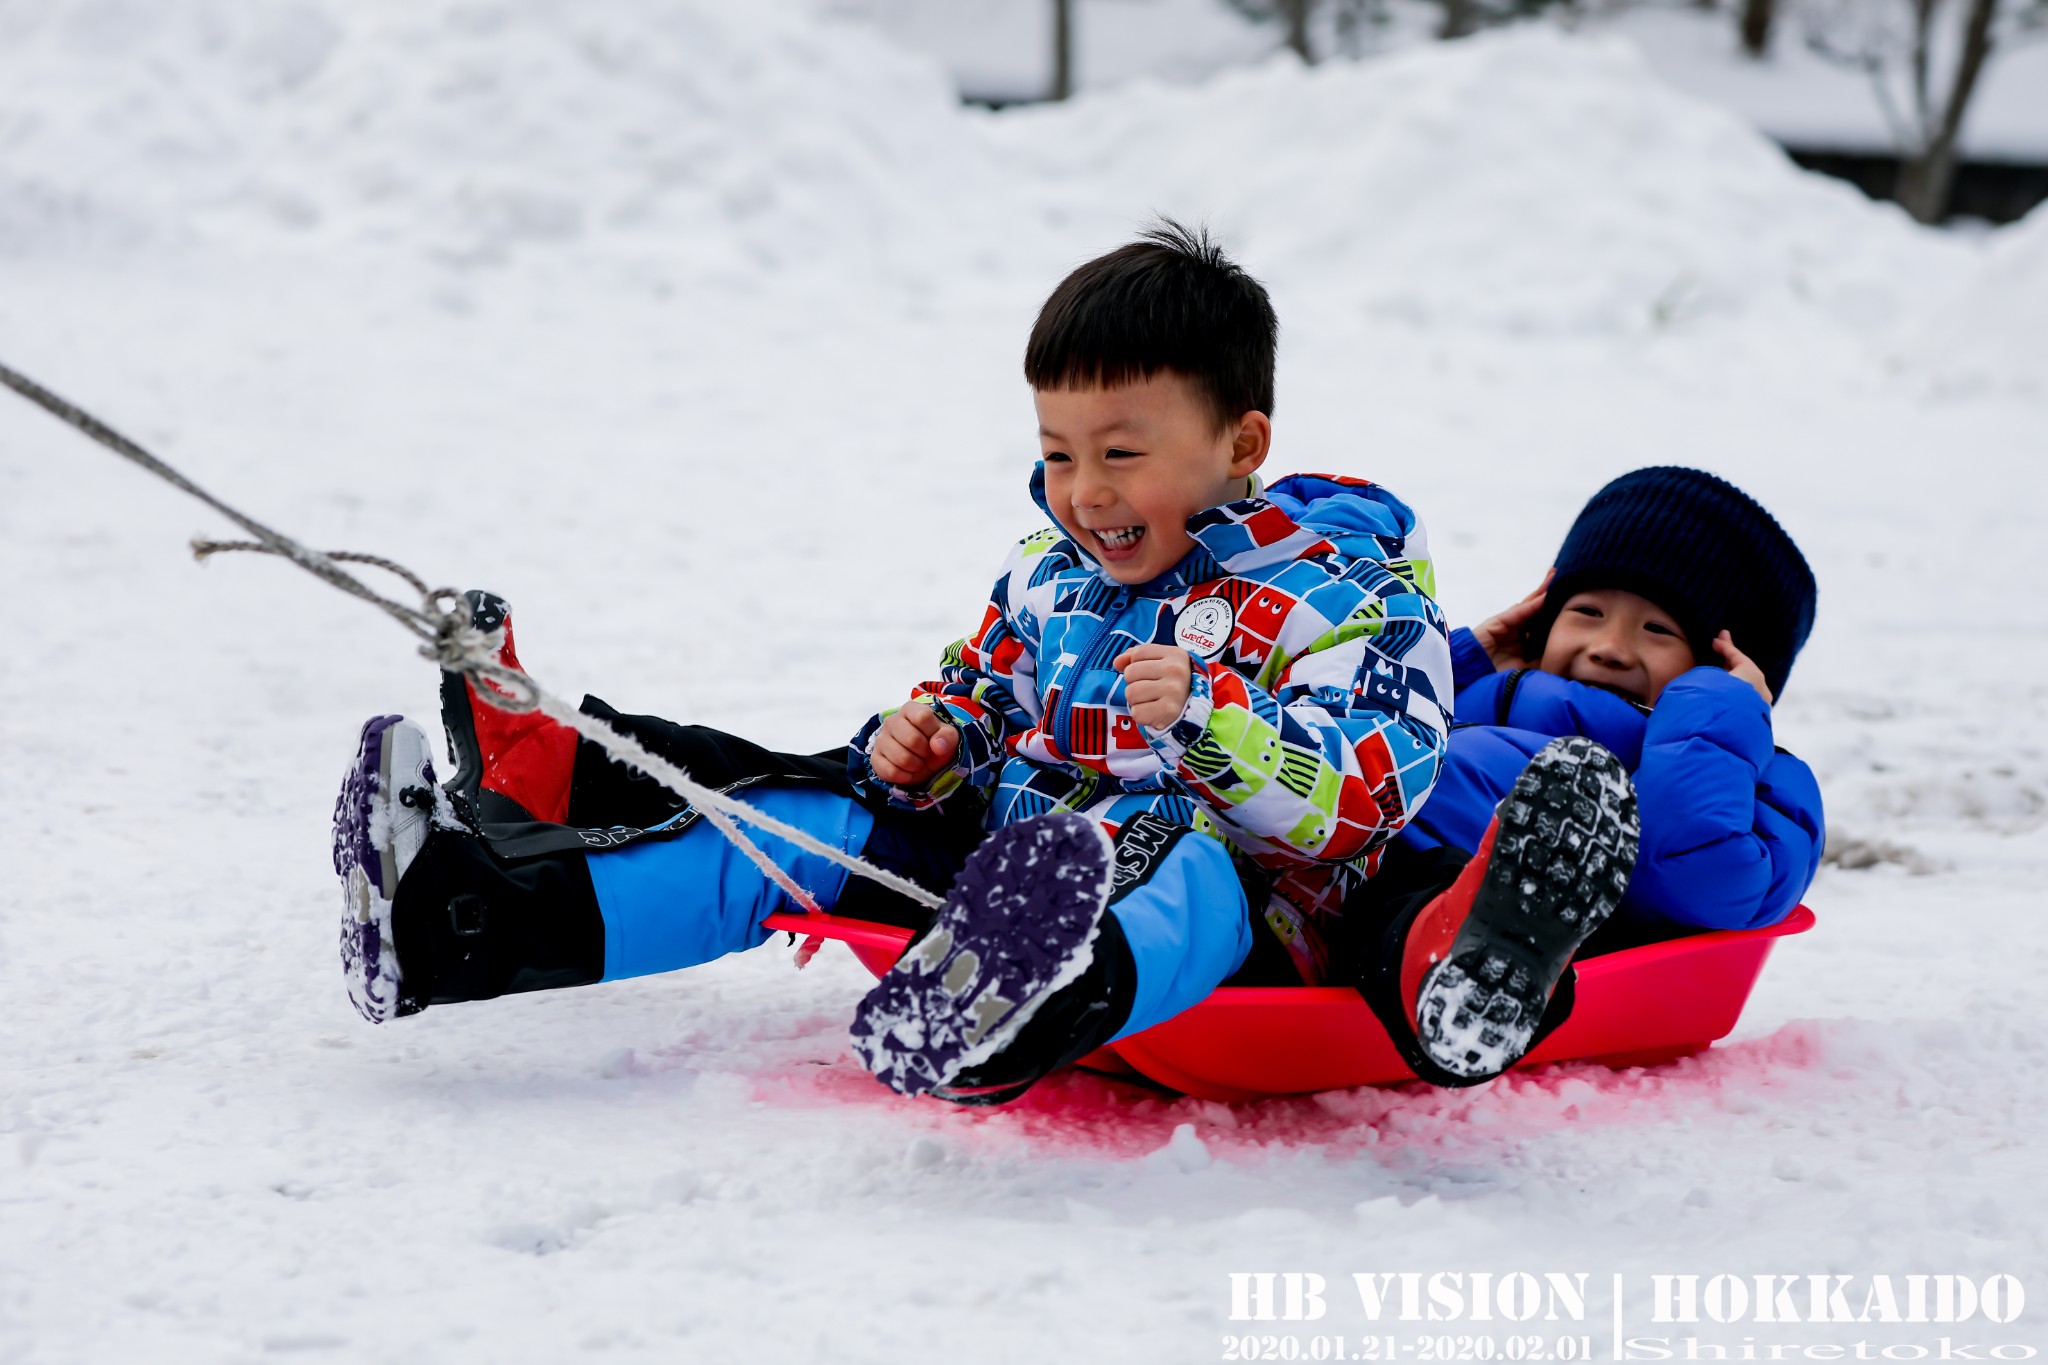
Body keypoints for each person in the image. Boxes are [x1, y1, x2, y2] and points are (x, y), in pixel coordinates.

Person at [332, 221, 1641, 1104]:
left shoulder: (1337, 582)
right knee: (799, 819)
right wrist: (935, 733)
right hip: (1020, 848)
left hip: (1251, 892)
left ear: (1242, 442)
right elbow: (980, 682)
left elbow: (1378, 786)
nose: (1083, 490)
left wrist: (1216, 731)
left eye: (1122, 452)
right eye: (1060, 450)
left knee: (1182, 863)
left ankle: (1032, 1006)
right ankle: (457, 922)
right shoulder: (1055, 576)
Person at [1382, 466, 1824, 947]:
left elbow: (1687, 875)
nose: (1609, 646)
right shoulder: (1473, 699)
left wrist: (1721, 712)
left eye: (1658, 630)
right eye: (1587, 613)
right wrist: (1457, 665)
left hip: (1417, 926)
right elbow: (1350, 727)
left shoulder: (1763, 790)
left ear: (1728, 670)